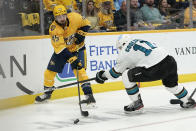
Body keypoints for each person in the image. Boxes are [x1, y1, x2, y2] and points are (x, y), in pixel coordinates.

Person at [95, 34, 196, 113]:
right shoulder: (138, 41)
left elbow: (114, 74)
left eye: (119, 48)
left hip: (156, 67)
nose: (120, 50)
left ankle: (136, 103)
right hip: (170, 61)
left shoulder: (124, 52)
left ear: (122, 44)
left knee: (126, 75)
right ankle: (187, 100)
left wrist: (102, 75)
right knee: (171, 86)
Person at [35, 5, 96, 105]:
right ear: (55, 18)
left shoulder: (75, 17)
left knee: (81, 72)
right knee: (49, 72)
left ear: (66, 14)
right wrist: (72, 58)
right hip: (63, 51)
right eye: (59, 17)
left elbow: (86, 23)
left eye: (63, 15)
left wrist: (81, 34)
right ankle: (47, 93)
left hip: (78, 48)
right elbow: (60, 48)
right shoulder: (54, 29)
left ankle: (89, 96)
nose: (62, 19)